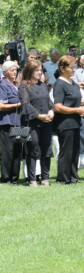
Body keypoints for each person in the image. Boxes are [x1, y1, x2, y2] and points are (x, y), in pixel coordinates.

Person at [18, 61, 54, 187]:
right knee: (33, 149)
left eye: (41, 70)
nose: (40, 72)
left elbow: (49, 101)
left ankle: (45, 178)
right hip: (32, 123)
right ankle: (32, 179)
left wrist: (51, 111)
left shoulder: (43, 85)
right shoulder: (24, 86)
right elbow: (25, 104)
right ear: (29, 71)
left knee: (47, 150)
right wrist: (39, 115)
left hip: (46, 123)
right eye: (37, 70)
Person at [53, 56, 84, 184]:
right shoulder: (59, 84)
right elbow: (58, 106)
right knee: (66, 151)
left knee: (75, 151)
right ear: (62, 68)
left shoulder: (73, 83)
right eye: (71, 67)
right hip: (65, 123)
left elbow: (77, 100)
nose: (73, 70)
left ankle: (73, 177)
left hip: (76, 122)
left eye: (74, 67)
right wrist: (77, 110)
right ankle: (63, 178)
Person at [0, 61, 23, 184]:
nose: (14, 72)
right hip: (6, 122)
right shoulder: (2, 85)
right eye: (12, 70)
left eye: (15, 70)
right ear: (5, 72)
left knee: (17, 150)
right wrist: (17, 105)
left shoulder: (17, 85)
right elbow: (0, 106)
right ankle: (5, 178)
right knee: (7, 151)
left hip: (18, 121)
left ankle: (15, 178)